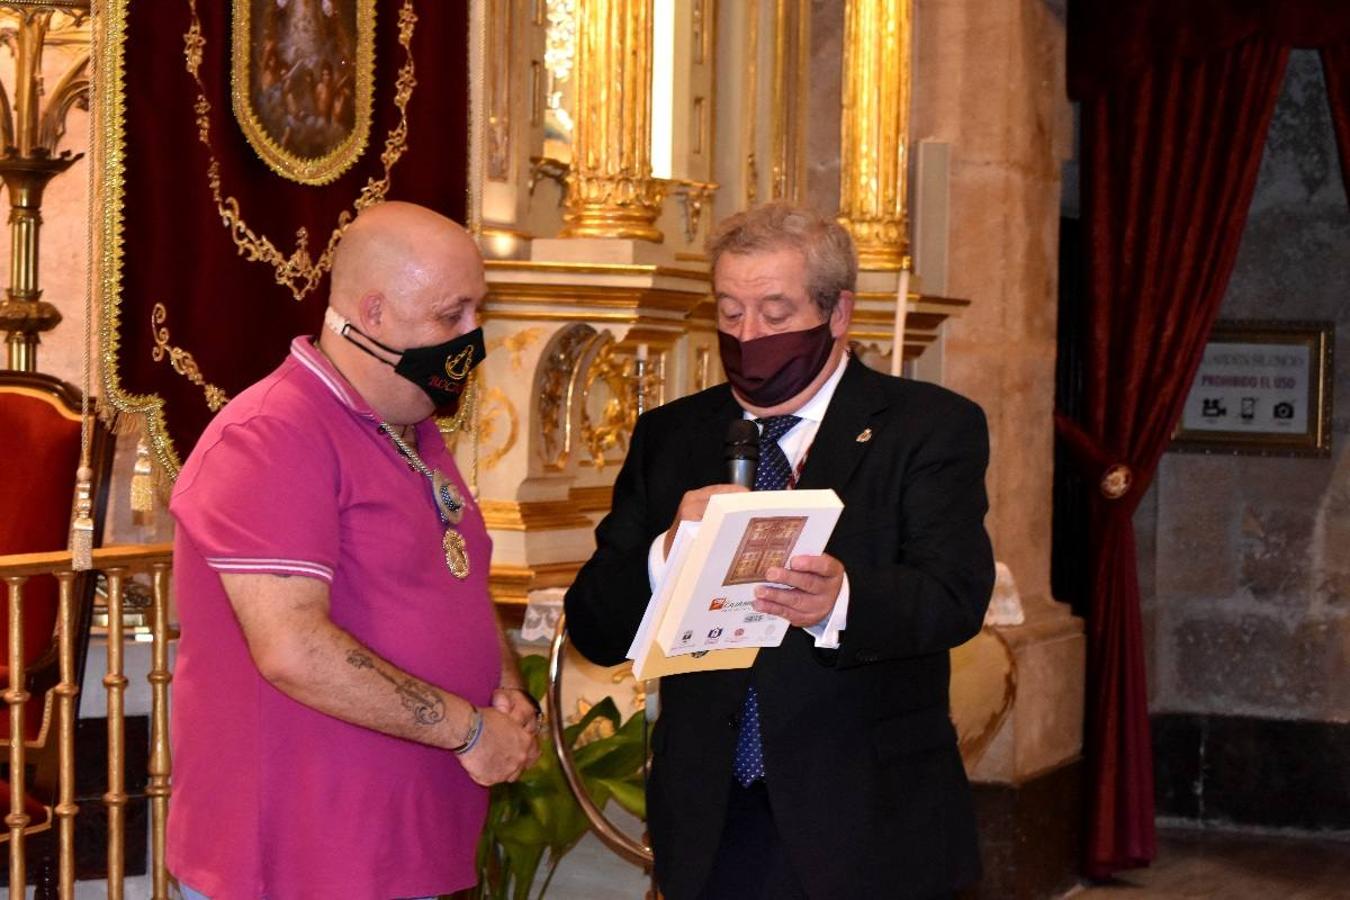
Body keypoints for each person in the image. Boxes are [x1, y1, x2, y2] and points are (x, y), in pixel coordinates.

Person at [564, 202, 995, 899]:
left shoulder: (926, 427)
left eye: (774, 311)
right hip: (712, 821)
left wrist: (841, 600)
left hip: (869, 819)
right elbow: (595, 626)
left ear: (839, 313)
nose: (748, 334)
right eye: (730, 312)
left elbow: (953, 597)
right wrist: (665, 553)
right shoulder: (672, 436)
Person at [168, 202, 540, 900]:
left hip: (400, 847)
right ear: (373, 313)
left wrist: (506, 689)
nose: (473, 336)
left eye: (477, 311)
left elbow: (453, 581)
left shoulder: (412, 428)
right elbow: (293, 648)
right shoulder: (272, 435)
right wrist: (467, 731)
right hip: (299, 859)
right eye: (451, 315)